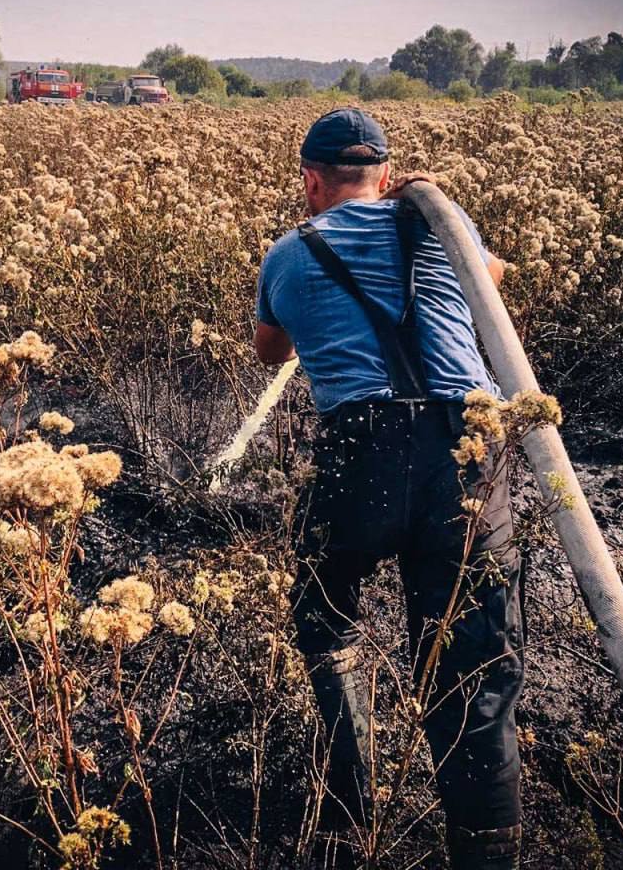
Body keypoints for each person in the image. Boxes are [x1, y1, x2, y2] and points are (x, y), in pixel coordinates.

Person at [253, 108, 524, 869]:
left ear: (311, 182)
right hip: (466, 451)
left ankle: (348, 807)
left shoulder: (289, 252)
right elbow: (491, 280)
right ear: (383, 175)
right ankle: (485, 849)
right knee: (475, 651)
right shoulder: (438, 222)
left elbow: (269, 347)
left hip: (358, 453)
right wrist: (430, 203)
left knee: (326, 608)